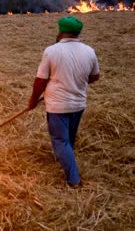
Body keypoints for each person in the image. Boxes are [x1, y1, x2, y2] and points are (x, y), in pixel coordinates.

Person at [28, 16, 100, 188]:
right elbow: (95, 76)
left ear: (60, 32)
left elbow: (40, 81)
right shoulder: (89, 51)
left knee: (60, 141)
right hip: (78, 104)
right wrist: (76, 83)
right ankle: (67, 159)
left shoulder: (52, 51)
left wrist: (32, 100)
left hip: (58, 106)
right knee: (69, 138)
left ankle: (73, 180)